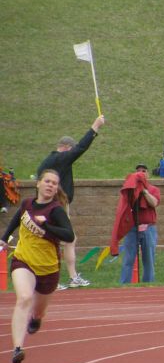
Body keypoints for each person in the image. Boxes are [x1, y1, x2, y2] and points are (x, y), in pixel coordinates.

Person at [1, 169, 74, 363]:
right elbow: (17, 219)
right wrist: (4, 238)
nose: (51, 185)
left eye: (54, 183)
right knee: (24, 297)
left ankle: (37, 317)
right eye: (47, 181)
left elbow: (69, 235)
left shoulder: (55, 210)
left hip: (48, 268)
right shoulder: (27, 204)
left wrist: (47, 226)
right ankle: (17, 348)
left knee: (39, 310)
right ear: (38, 184)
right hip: (23, 260)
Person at [37, 114, 105, 289]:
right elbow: (81, 147)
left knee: (70, 239)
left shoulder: (52, 161)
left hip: (56, 205)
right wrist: (95, 126)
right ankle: (52, 279)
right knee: (58, 240)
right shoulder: (60, 158)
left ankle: (72, 277)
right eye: (71, 151)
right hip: (55, 206)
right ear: (66, 148)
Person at [110, 164, 161, 284]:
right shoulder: (131, 191)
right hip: (132, 228)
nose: (141, 173)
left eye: (143, 171)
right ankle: (124, 285)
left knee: (149, 259)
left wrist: (144, 191)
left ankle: (148, 283)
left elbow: (154, 203)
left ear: (147, 174)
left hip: (148, 228)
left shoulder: (154, 189)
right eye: (138, 171)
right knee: (128, 259)